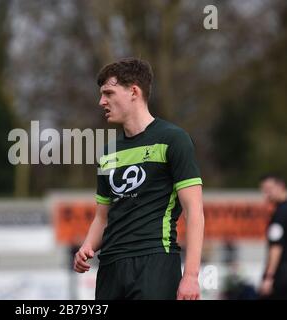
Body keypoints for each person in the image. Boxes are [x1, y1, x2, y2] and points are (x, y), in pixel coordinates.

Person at [73, 58, 205, 300]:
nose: (101, 101)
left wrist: (191, 275)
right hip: (110, 265)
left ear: (134, 91)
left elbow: (194, 211)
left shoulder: (173, 139)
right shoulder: (107, 153)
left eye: (108, 93)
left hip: (155, 260)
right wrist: (87, 246)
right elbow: (103, 216)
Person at [259, 174, 287, 299]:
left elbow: (276, 247)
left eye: (268, 190)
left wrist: (269, 277)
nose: (266, 195)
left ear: (281, 186)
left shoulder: (280, 213)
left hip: (282, 276)